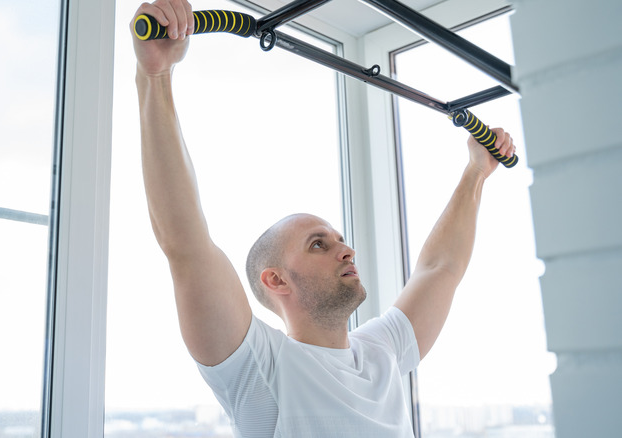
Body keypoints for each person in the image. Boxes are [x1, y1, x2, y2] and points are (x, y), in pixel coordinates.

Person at [131, 1, 516, 436]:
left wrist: (477, 173)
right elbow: (185, 244)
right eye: (319, 243)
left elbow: (441, 268)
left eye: (338, 239)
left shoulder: (382, 353)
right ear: (275, 280)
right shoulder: (260, 371)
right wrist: (155, 77)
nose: (346, 249)